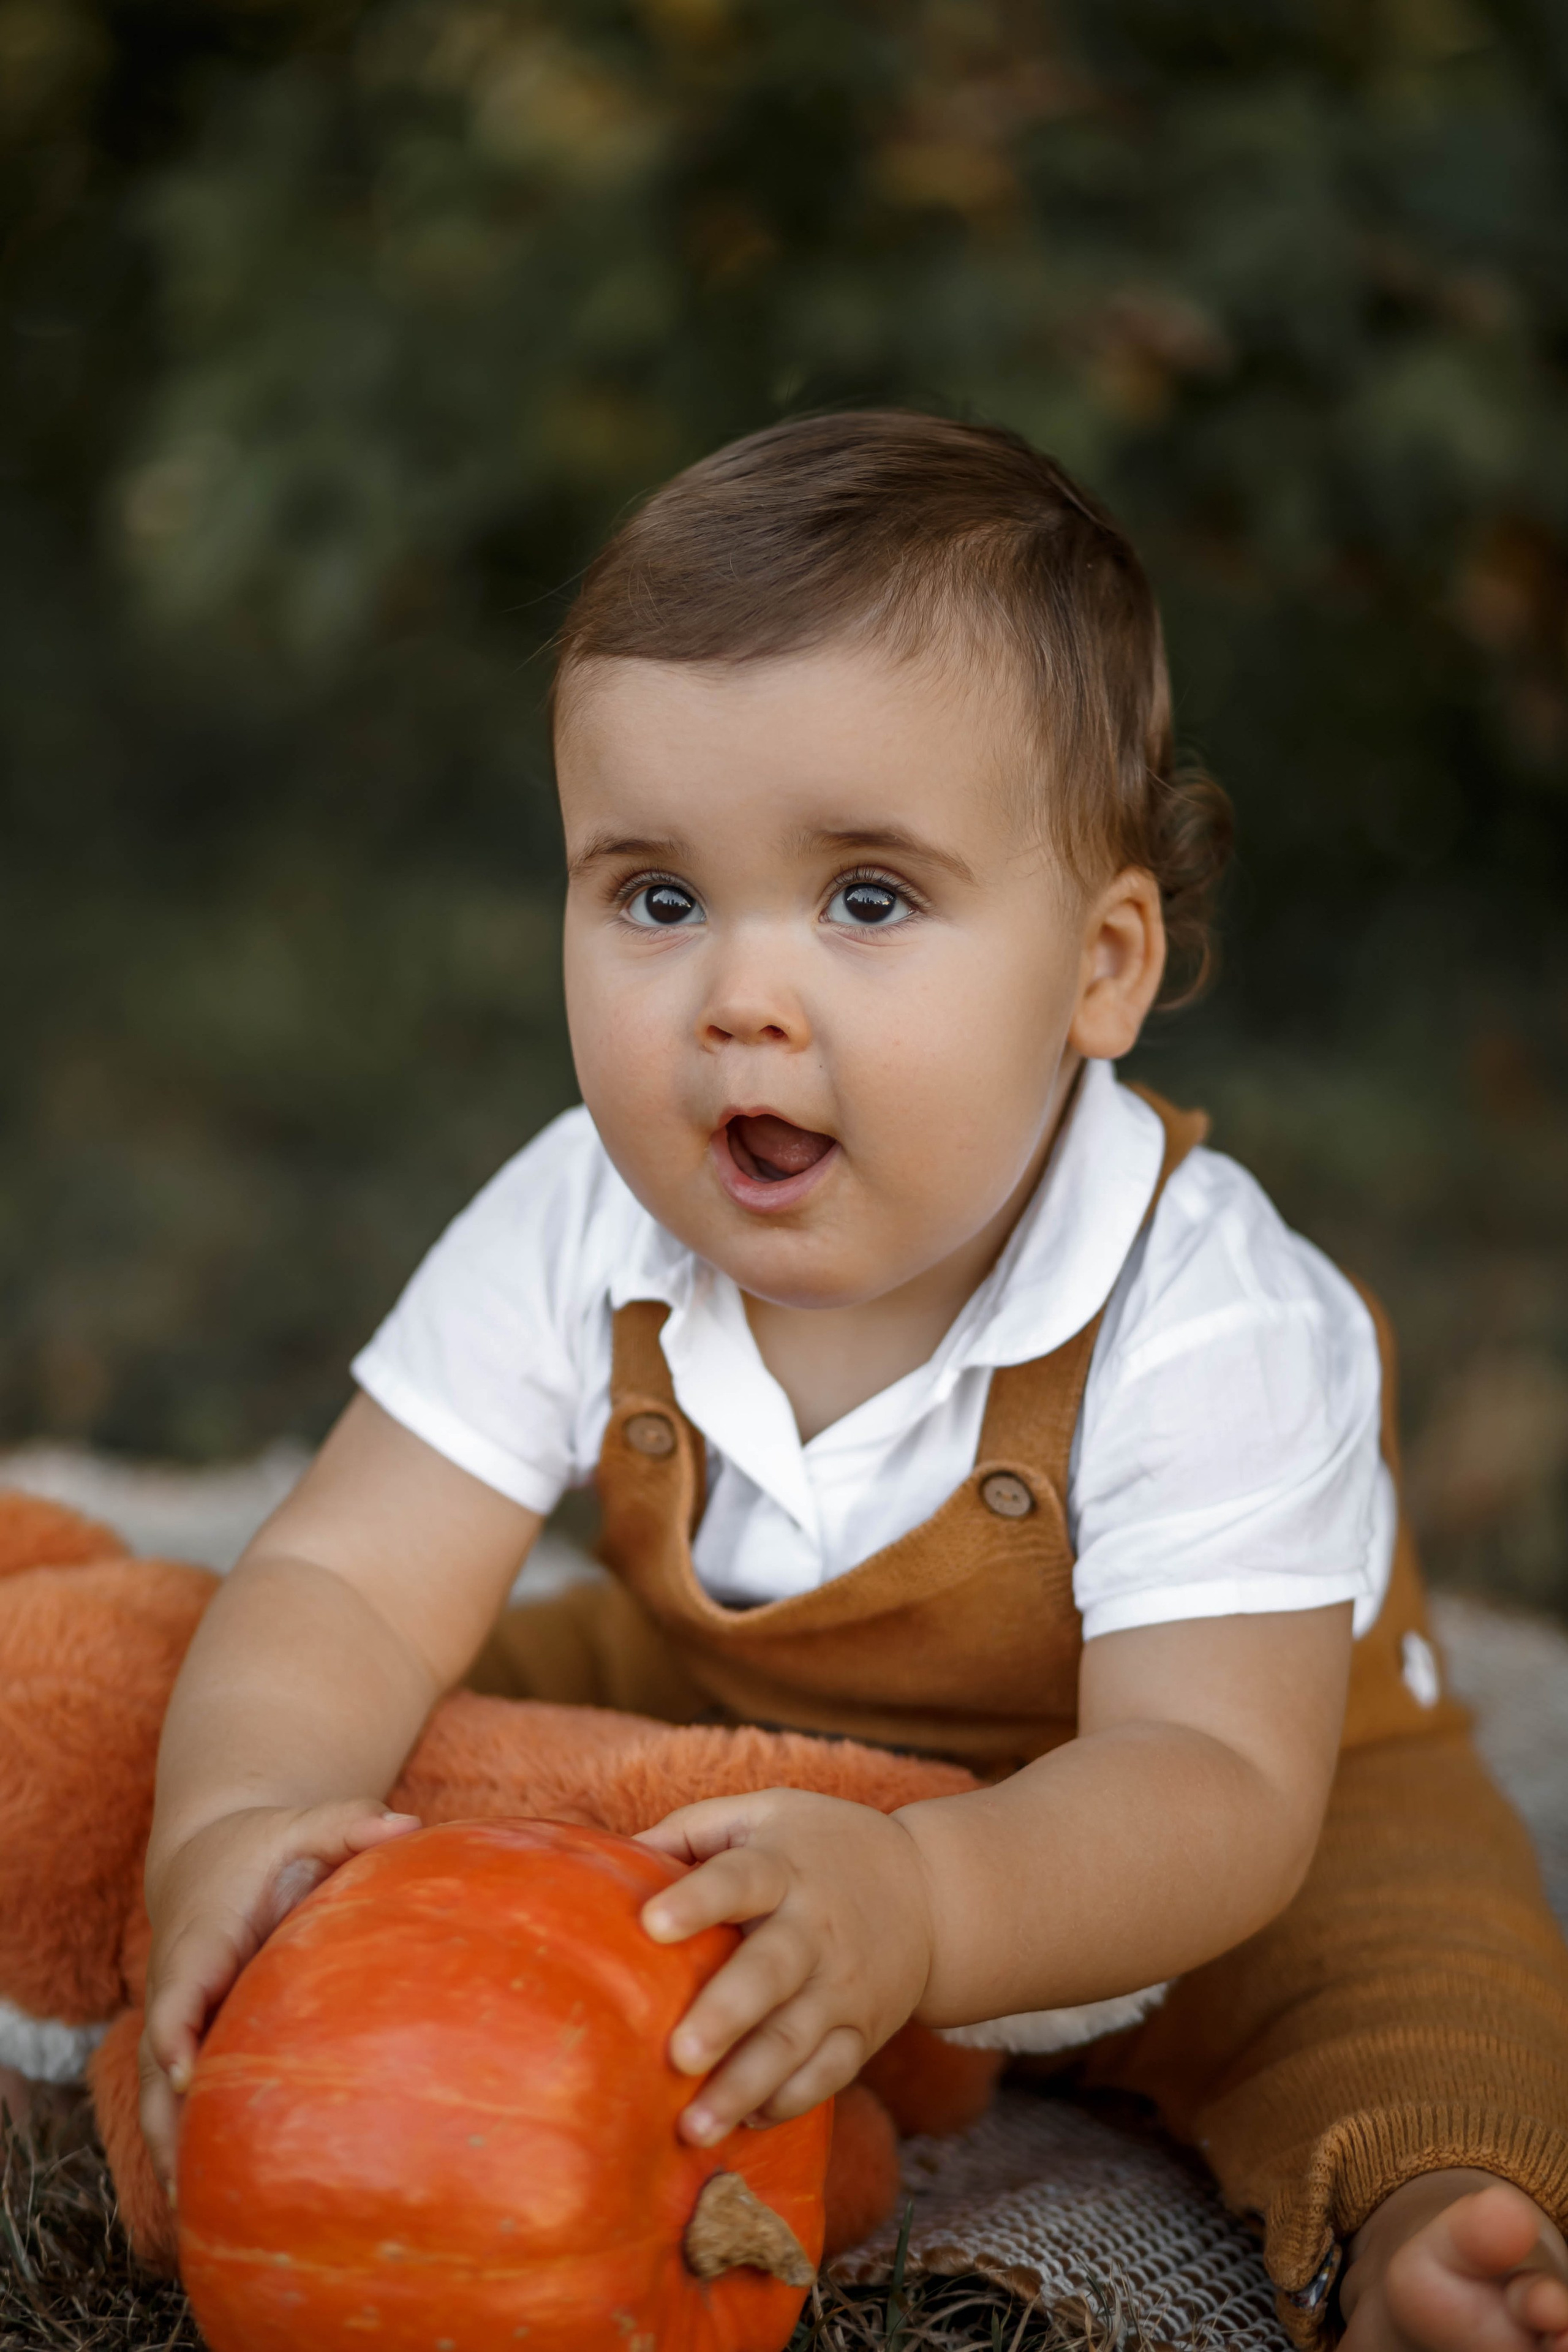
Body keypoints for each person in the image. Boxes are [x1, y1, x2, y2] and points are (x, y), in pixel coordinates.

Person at [137, 413, 1568, 2351]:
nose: (739, 994)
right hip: (744, 1732)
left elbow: (1216, 1780)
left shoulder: (1207, 1301)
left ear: (1102, 968)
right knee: (285, 1683)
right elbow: (349, 1576)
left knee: (1404, 1970)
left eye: (869, 900)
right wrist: (243, 1819)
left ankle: (1432, 2227)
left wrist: (927, 1910)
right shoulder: (585, 1217)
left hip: (1199, 1787)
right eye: (655, 896)